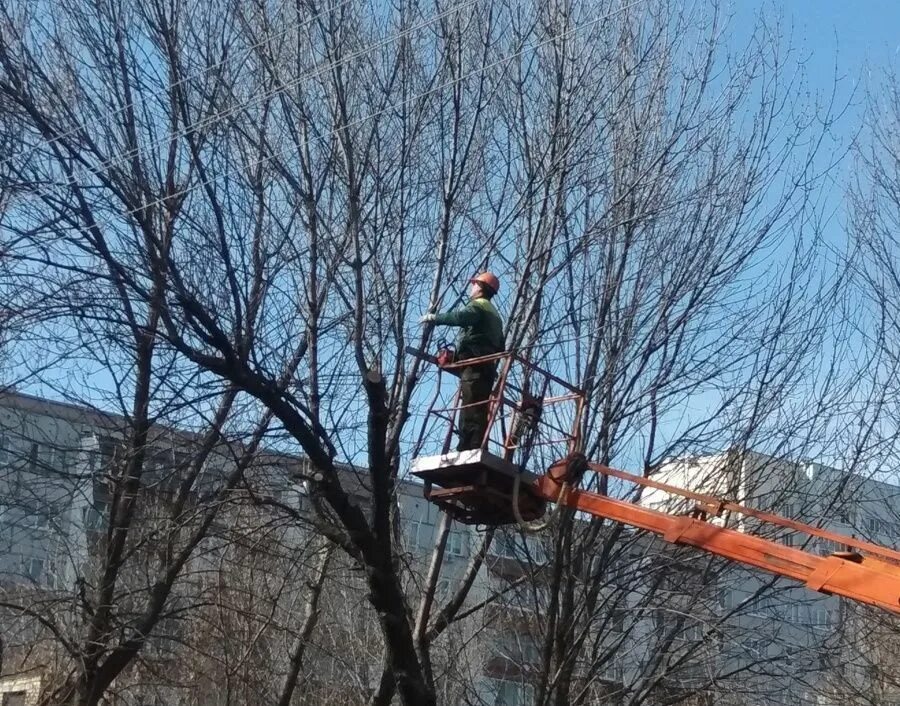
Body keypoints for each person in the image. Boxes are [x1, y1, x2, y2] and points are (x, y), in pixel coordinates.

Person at [420, 272, 504, 451]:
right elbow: (501, 347)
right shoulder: (495, 315)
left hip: (474, 365)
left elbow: (460, 317)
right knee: (480, 406)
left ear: (481, 288)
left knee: (470, 405)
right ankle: (476, 444)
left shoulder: (478, 306)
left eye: (474, 284)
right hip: (487, 367)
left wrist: (435, 318)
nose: (471, 287)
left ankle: (468, 446)